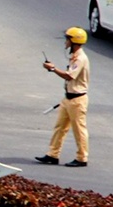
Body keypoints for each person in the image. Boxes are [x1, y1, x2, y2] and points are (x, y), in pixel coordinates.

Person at [37, 28, 91, 168]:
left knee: (79, 129)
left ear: (74, 41)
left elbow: (69, 76)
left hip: (77, 100)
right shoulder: (74, 56)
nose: (65, 42)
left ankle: (82, 158)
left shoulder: (80, 58)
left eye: (68, 39)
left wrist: (53, 69)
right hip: (68, 99)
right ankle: (52, 154)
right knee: (60, 127)